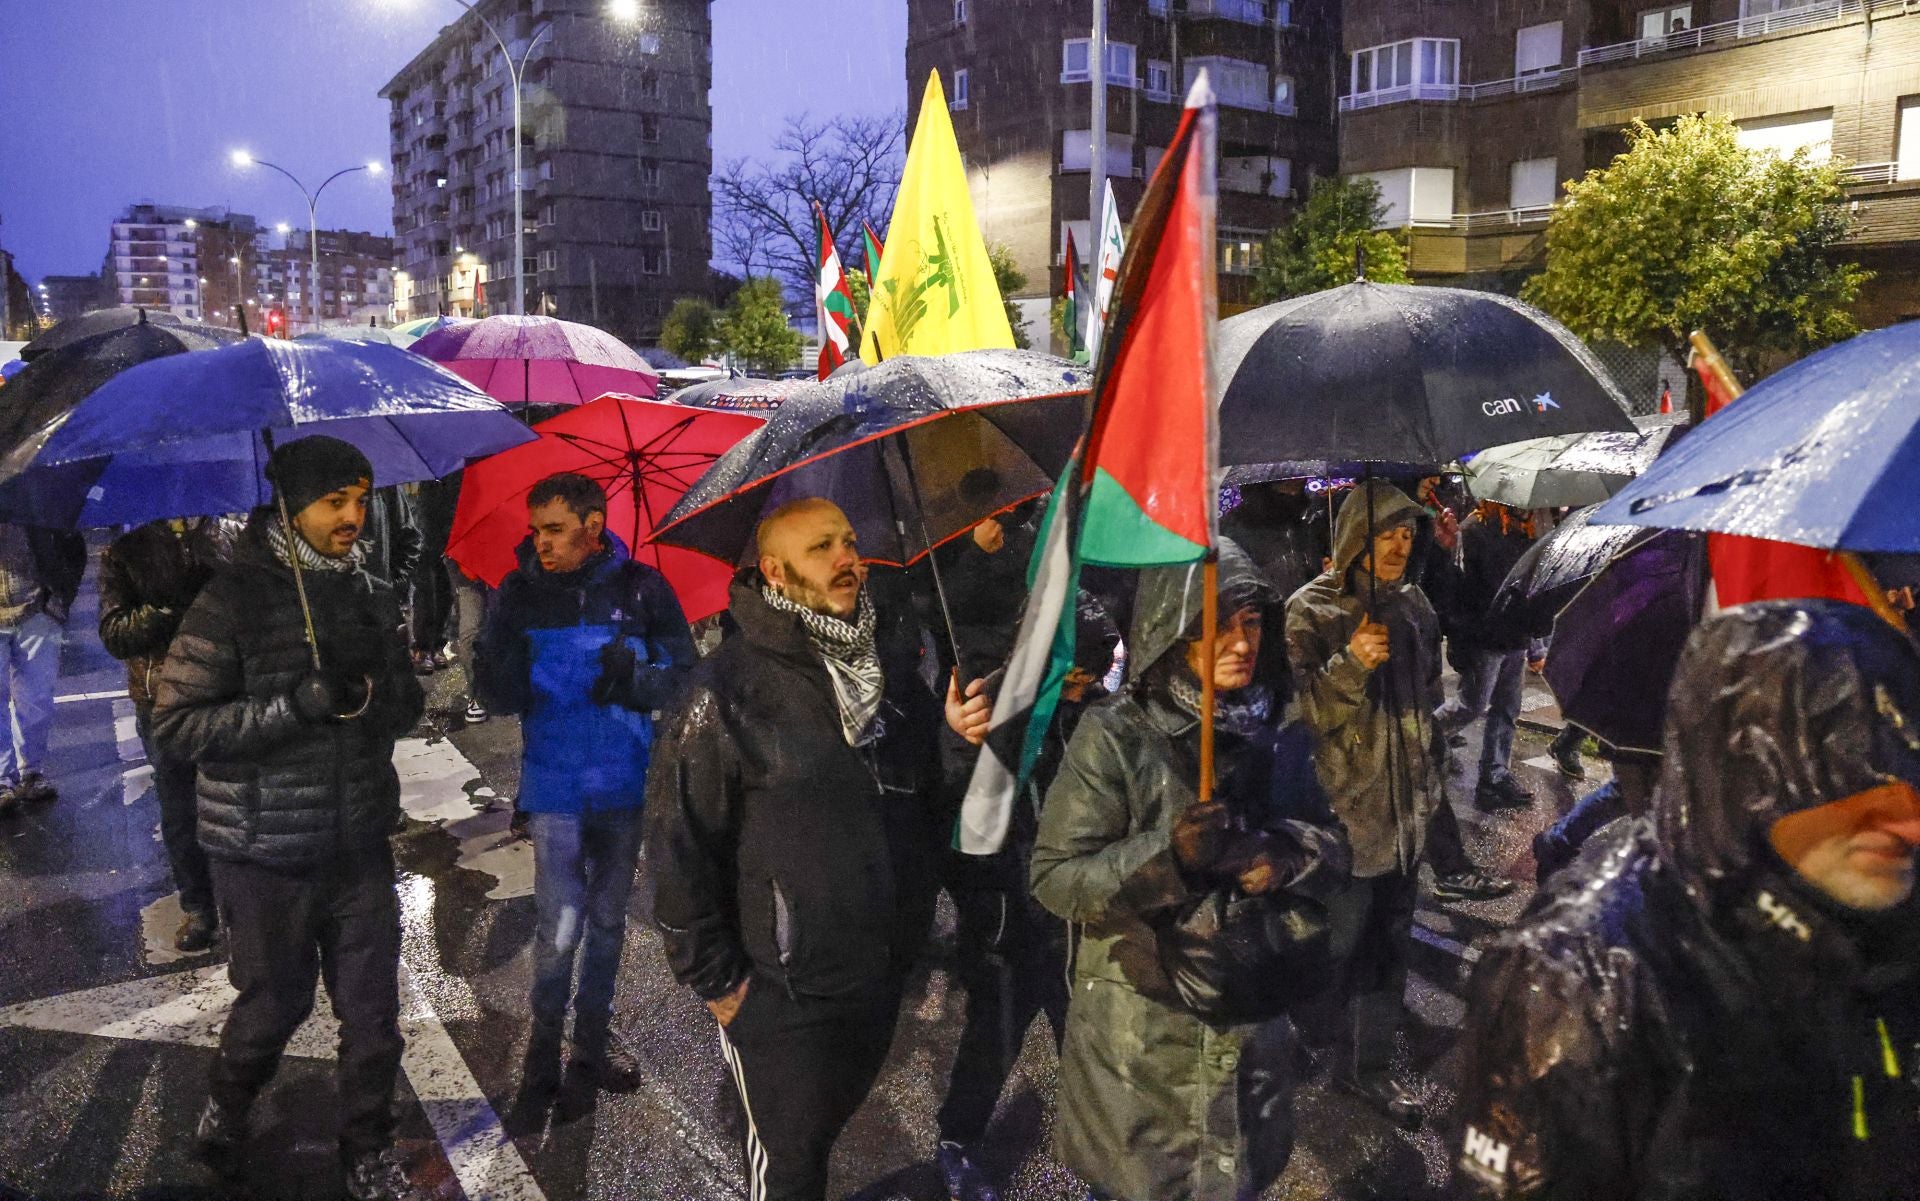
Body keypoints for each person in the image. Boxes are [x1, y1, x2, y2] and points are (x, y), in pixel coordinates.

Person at [1451, 600, 1920, 1199]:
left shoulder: (1880, 931)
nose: (1908, 822)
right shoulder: (1583, 983)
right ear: (1755, 775)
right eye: (1858, 782)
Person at [645, 497, 991, 1201]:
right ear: (774, 570)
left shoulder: (885, 666)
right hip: (782, 991)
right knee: (791, 1166)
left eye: (849, 539)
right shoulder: (724, 689)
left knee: (827, 1129)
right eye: (822, 547)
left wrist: (953, 736)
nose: (846, 557)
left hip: (879, 968)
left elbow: (926, 799)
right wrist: (719, 982)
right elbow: (678, 843)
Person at [1031, 544, 1350, 1201]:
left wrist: (1285, 855)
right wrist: (1166, 856)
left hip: (1251, 1021)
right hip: (1144, 1046)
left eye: (1253, 621)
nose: (1241, 640)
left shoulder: (1282, 725)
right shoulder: (1117, 734)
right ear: (1168, 629)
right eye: (1218, 621)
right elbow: (1057, 876)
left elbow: (1336, 846)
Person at [153, 436, 425, 1201]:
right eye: (335, 501)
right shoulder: (230, 599)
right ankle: (227, 1108)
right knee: (274, 1002)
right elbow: (177, 727)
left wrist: (371, 691)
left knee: (373, 1012)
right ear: (290, 506)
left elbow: (404, 705)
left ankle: (366, 1146)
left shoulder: (366, 591)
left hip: (357, 841)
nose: (354, 517)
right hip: (262, 850)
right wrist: (292, 706)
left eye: (361, 499)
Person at [474, 472, 696, 1104]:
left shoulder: (644, 588)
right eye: (535, 530)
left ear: (593, 526)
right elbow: (496, 694)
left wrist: (637, 679)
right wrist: (493, 661)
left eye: (554, 528)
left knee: (606, 925)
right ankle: (543, 1052)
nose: (541, 542)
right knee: (560, 926)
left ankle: (590, 1049)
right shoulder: (516, 593)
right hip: (556, 788)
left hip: (625, 783)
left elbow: (684, 678)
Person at [935, 592, 1120, 1201]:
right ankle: (956, 1142)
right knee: (992, 1040)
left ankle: (1101, 1168)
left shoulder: (1100, 713)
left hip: (1080, 923)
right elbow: (955, 814)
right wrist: (963, 744)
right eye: (1073, 669)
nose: (1082, 682)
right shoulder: (990, 706)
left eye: (1092, 669)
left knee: (1089, 1051)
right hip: (1009, 921)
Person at [1285, 480, 1445, 1127]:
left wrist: (1430, 784)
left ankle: (1369, 1068)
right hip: (1342, 824)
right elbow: (1296, 717)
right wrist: (1350, 663)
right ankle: (1297, 1034)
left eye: (1409, 533)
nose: (1399, 545)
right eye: (1386, 532)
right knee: (1334, 948)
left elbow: (1429, 699)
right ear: (1354, 536)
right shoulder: (1309, 612)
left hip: (1404, 822)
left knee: (1387, 952)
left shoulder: (1415, 607)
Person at [98, 517, 227, 951]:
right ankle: (200, 905)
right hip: (162, 699)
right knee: (180, 805)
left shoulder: (231, 532)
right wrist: (165, 607)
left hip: (229, 690)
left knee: (240, 797)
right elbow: (115, 634)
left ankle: (246, 898)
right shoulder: (126, 549)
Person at [1433, 501, 1544, 812]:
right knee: (1472, 705)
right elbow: (1457, 591)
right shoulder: (1474, 530)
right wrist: (1460, 639)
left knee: (1507, 709)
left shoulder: (1530, 531)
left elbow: (1532, 588)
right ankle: (1421, 741)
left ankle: (1494, 777)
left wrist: (1535, 644)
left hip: (1515, 637)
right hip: (1484, 639)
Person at [0, 520, 85, 815]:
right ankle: (2, 779)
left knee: (37, 699)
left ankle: (30, 772)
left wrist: (58, 600)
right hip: (32, 609)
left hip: (36, 608)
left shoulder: (31, 487)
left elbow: (72, 543)